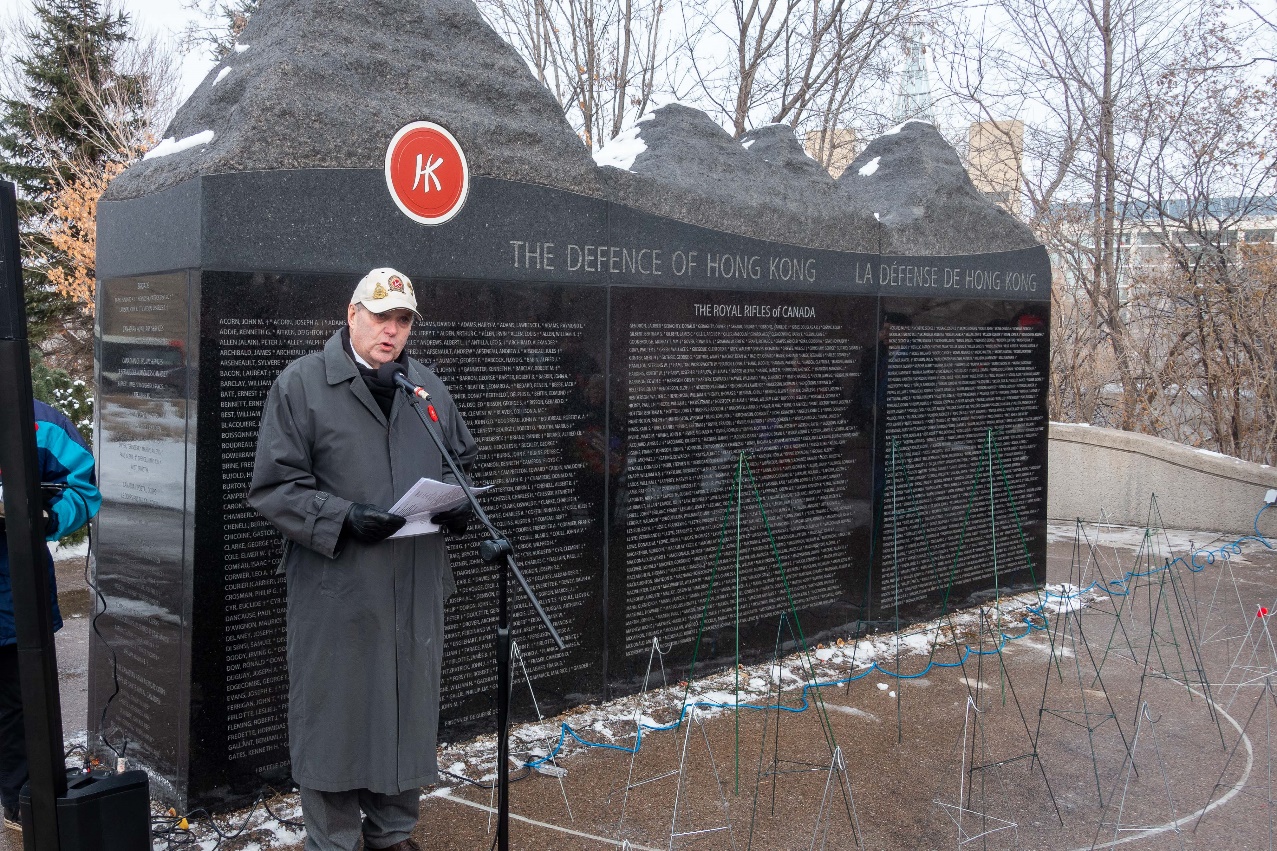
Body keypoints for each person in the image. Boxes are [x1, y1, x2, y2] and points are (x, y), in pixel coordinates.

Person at [249, 268, 477, 851]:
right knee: (335, 719)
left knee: (406, 711)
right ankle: (335, 841)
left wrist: (459, 506)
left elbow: (461, 463)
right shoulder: (300, 386)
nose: (391, 330)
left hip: (416, 584)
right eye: (380, 316)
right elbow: (275, 488)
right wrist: (343, 517)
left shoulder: (425, 388)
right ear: (352, 315)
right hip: (340, 588)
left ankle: (394, 833)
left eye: (402, 320)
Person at [0, 400, 101, 831]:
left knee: (18, 707)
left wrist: (40, 517)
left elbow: (83, 487)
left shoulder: (38, 420)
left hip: (11, 595)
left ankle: (20, 800)